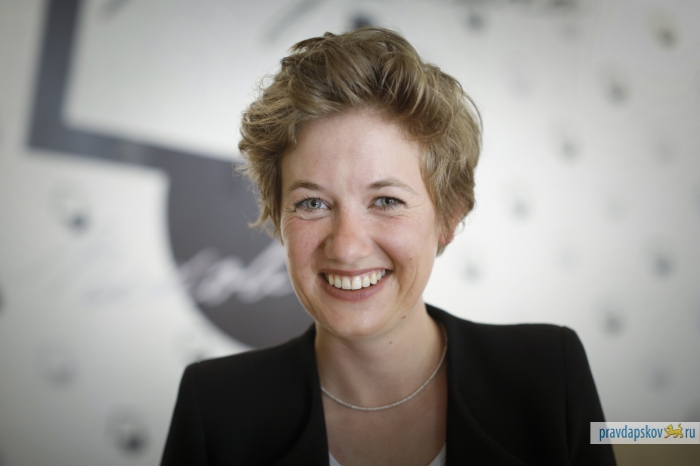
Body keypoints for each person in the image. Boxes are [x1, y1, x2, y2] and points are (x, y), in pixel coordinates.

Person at [161, 27, 616, 466]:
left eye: (386, 201)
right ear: (278, 219)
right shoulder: (213, 409)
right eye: (313, 203)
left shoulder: (551, 374)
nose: (347, 247)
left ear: (449, 216)